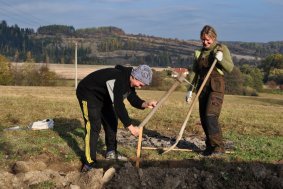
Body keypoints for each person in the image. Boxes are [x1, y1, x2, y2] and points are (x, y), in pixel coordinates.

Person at [76, 64, 157, 172]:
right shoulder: (118, 79)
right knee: (94, 126)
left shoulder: (129, 80)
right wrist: (131, 127)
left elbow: (132, 98)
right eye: (140, 84)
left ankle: (111, 152)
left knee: (112, 121)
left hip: (104, 97)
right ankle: (89, 162)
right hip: (88, 94)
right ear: (134, 77)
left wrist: (146, 104)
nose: (140, 86)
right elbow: (118, 105)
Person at [186, 25, 234, 156]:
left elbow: (230, 68)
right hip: (202, 88)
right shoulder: (199, 53)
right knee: (203, 118)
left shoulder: (221, 49)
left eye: (208, 40)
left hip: (216, 87)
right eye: (203, 39)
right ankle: (210, 146)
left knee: (210, 116)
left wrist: (221, 59)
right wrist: (190, 89)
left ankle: (218, 147)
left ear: (214, 38)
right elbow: (194, 72)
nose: (205, 42)